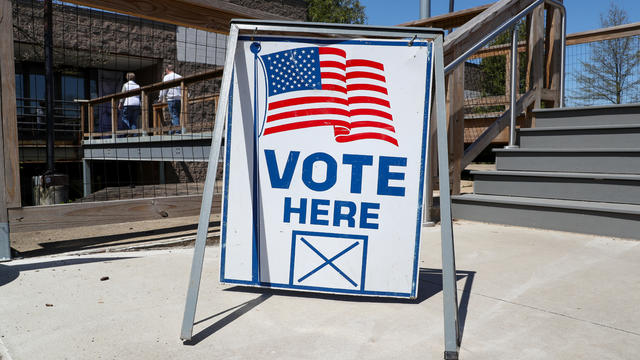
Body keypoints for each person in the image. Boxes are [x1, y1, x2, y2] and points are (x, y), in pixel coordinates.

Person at [157, 64, 182, 134]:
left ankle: (177, 132)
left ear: (167, 70)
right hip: (179, 99)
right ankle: (171, 131)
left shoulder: (167, 77)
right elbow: (183, 88)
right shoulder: (179, 76)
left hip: (171, 98)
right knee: (176, 115)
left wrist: (160, 98)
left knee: (174, 115)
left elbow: (163, 89)